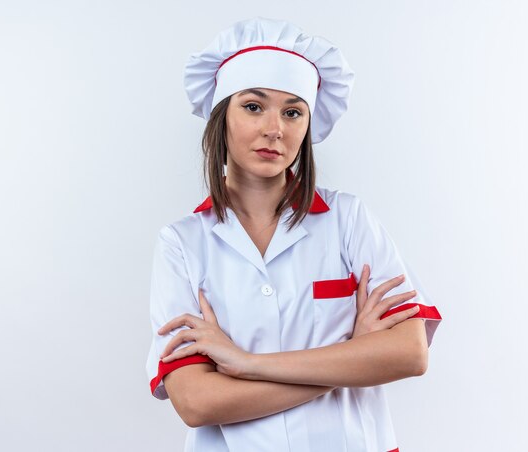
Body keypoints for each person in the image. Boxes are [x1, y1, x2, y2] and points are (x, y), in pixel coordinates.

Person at [145, 17, 442, 452]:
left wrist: (245, 365)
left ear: (306, 125)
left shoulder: (348, 219)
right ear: (221, 116)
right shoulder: (182, 244)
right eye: (253, 106)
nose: (274, 129)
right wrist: (350, 357)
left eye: (292, 111)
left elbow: (410, 353)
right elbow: (197, 402)